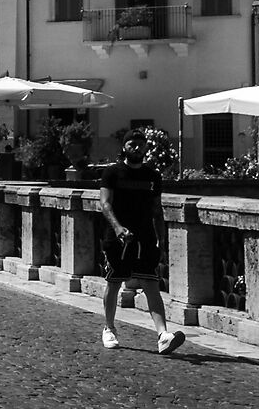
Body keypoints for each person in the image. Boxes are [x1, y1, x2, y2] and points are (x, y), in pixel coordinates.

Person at [98, 130, 183, 354]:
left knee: (151, 284)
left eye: (140, 144)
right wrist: (117, 228)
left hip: (145, 238)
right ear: (124, 147)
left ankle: (163, 335)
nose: (137, 148)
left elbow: (157, 209)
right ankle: (109, 328)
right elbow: (105, 204)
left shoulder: (153, 175)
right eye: (132, 144)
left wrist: (162, 239)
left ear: (146, 148)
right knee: (114, 282)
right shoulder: (112, 173)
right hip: (118, 238)